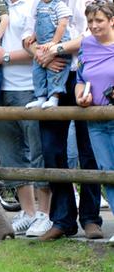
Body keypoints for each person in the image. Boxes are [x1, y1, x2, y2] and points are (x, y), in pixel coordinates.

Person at [0, 0, 50, 236]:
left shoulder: (34, 6)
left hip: (29, 87)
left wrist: (4, 56)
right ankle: (27, 212)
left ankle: (44, 214)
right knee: (10, 153)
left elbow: (40, 49)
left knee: (38, 153)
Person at [31, 0, 102, 241]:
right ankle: (62, 219)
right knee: (52, 149)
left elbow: (93, 34)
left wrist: (55, 49)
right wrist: (42, 56)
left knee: (89, 148)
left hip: (85, 74)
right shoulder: (41, 2)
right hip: (52, 76)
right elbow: (27, 37)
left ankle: (91, 217)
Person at [75, 0, 114, 242]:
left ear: (112, 20)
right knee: (108, 173)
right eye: (90, 21)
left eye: (99, 20)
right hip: (96, 121)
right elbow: (81, 77)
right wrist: (80, 96)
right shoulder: (87, 44)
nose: (94, 26)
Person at [25, 0, 72, 108]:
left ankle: (54, 98)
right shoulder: (39, 5)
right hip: (42, 45)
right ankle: (41, 98)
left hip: (57, 44)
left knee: (55, 73)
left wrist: (54, 42)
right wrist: (34, 36)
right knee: (37, 73)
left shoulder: (59, 5)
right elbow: (38, 23)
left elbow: (62, 25)